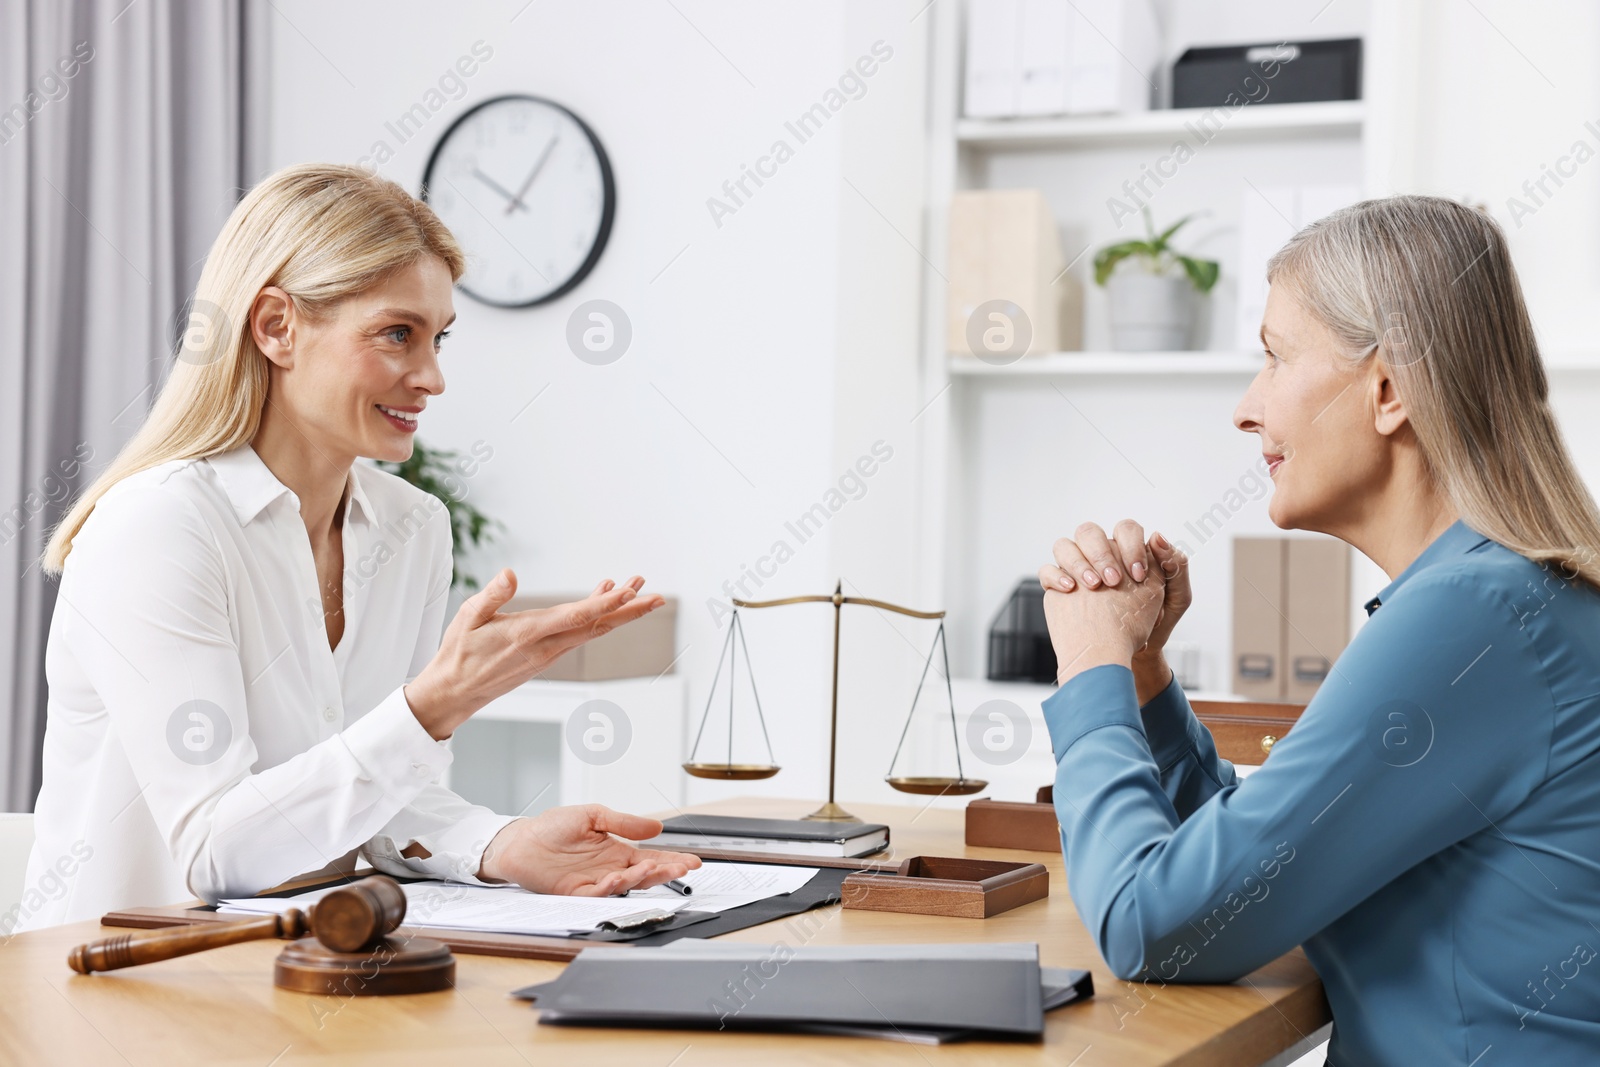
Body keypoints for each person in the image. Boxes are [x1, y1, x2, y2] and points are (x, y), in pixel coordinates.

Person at [18, 163, 698, 931]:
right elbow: (215, 851)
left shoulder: (412, 528)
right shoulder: (159, 526)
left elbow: (378, 800)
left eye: (438, 338)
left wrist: (504, 843)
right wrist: (432, 707)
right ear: (276, 325)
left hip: (295, 971)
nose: (433, 376)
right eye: (397, 334)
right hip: (116, 997)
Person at [1036, 196, 1600, 1063]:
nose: (1246, 409)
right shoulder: (1509, 599)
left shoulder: (1474, 622)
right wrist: (1143, 678)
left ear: (1388, 390)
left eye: (1274, 358)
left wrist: (1088, 660)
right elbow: (1257, 861)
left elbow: (1152, 922)